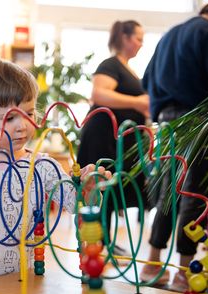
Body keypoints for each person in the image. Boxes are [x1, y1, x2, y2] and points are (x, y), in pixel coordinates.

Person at [0, 60, 109, 288]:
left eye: (28, 113)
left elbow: (76, 204)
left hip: (22, 282)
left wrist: (88, 190)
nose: (22, 126)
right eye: (9, 118)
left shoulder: (42, 166)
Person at [140, 0, 208, 292]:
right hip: (200, 121)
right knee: (194, 195)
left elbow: (146, 80)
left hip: (168, 124)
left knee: (168, 191)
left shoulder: (171, 33)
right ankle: (184, 272)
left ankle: (153, 263)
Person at [76, 20, 150, 256]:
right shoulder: (110, 64)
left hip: (116, 139)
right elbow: (99, 94)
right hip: (102, 136)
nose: (141, 44)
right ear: (125, 38)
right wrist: (139, 102)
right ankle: (100, 241)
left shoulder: (127, 68)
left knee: (110, 187)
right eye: (138, 38)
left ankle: (105, 240)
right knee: (102, 184)